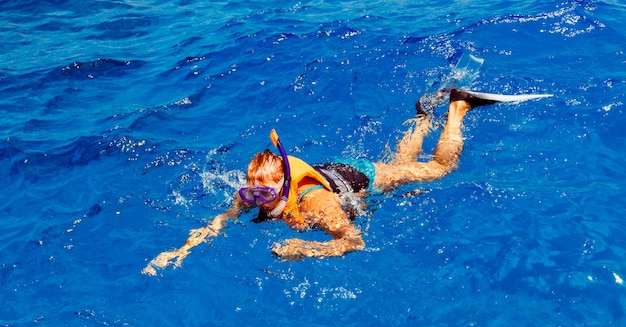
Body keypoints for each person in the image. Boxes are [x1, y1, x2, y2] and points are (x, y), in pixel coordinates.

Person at [142, 89, 513, 275]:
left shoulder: (314, 204)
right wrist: (181, 251)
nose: (254, 200)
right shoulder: (254, 196)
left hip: (359, 178)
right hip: (329, 170)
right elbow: (217, 222)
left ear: (285, 189)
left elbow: (354, 240)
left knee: (433, 171)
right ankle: (420, 118)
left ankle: (457, 108)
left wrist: (307, 248)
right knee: (403, 164)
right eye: (250, 191)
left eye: (263, 193)